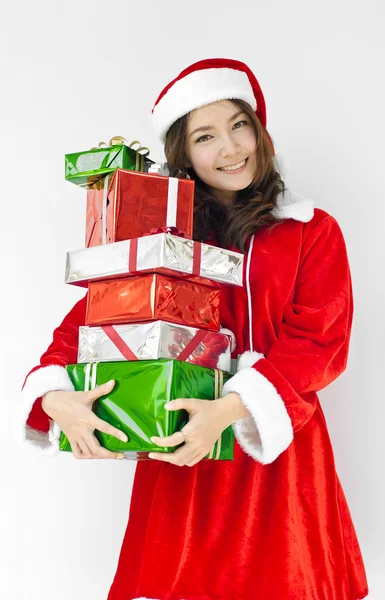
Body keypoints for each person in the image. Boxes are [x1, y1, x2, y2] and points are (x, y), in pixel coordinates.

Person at [17, 57, 369, 600]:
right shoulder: (158, 237)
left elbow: (321, 343)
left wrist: (230, 410)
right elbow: (88, 322)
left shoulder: (311, 231)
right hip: (181, 457)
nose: (230, 148)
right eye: (205, 136)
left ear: (259, 129)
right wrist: (56, 398)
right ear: (184, 154)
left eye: (238, 125)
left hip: (277, 463)